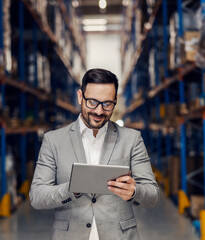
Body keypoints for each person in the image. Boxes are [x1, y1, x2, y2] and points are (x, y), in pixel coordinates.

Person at [30, 68, 160, 240]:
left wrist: (134, 191)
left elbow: (152, 194)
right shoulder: (53, 141)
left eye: (107, 104)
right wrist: (71, 190)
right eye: (92, 102)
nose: (99, 111)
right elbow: (37, 196)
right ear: (79, 96)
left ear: (115, 101)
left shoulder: (132, 139)